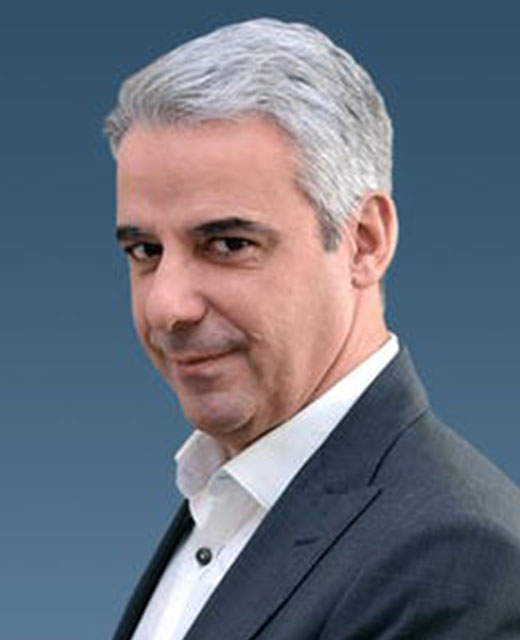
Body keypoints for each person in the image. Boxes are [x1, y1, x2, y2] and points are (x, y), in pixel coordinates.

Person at [105, 18, 520, 640]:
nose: (167, 307)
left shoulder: (455, 563)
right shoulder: (227, 494)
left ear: (365, 242)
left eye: (227, 244)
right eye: (144, 251)